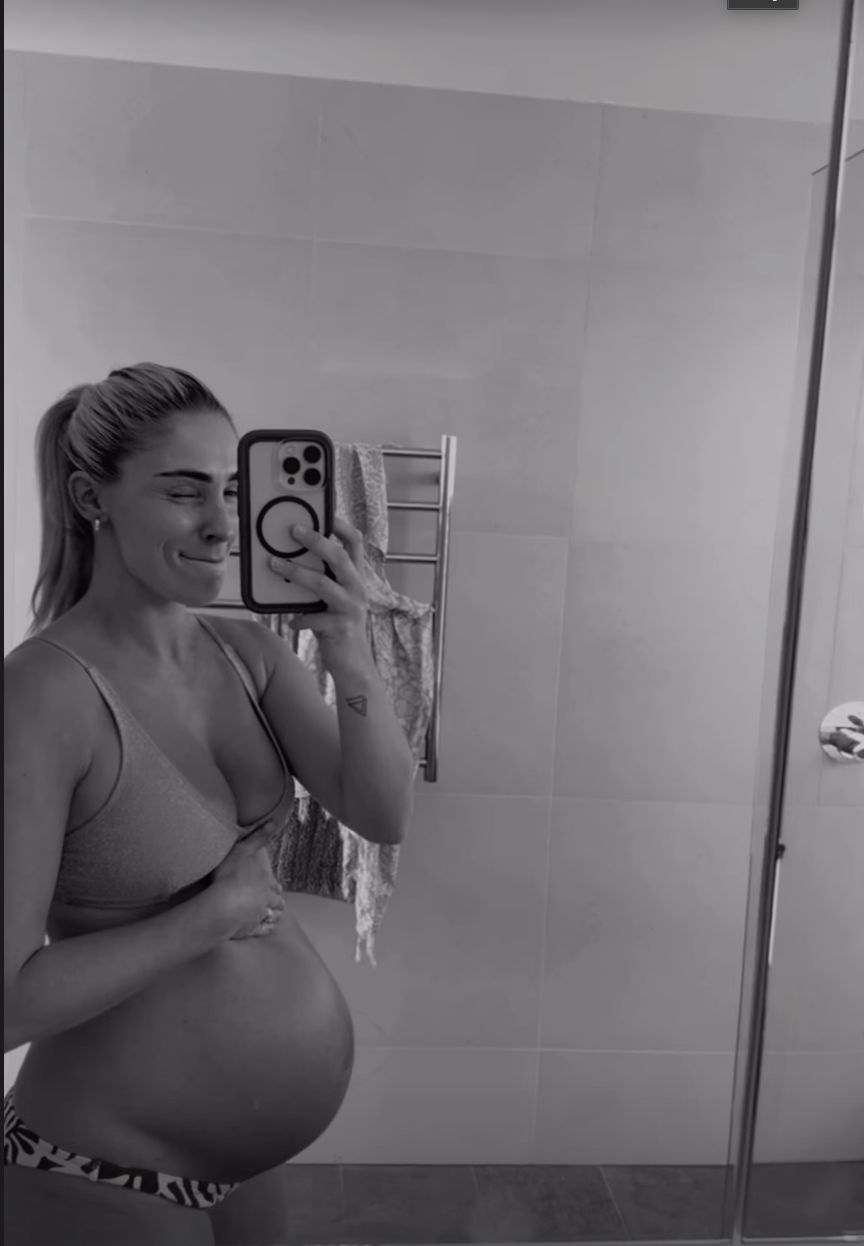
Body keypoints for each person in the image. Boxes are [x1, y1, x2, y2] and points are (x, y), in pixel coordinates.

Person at [3, 363, 416, 1246]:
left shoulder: (246, 653)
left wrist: (347, 646)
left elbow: (382, 814)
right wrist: (208, 918)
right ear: (91, 498)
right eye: (184, 491)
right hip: (101, 1169)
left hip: (242, 1167)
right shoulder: (41, 695)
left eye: (231, 490)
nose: (223, 524)